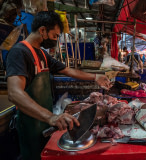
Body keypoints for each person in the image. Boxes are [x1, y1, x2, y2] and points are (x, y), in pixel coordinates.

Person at [6, 11, 111, 160]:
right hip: (30, 123)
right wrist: (51, 117)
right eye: (55, 35)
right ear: (42, 30)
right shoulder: (19, 53)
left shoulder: (42, 54)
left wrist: (95, 77)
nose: (56, 40)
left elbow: (68, 71)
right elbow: (14, 93)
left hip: (44, 121)